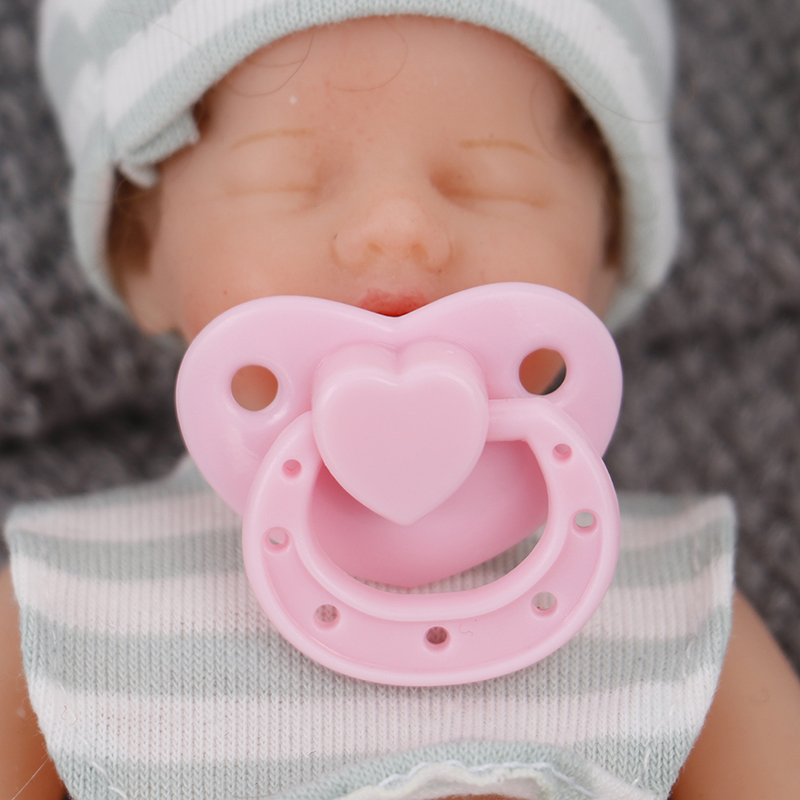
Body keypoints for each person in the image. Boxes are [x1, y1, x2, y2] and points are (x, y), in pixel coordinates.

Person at [2, 2, 800, 799]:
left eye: (491, 185)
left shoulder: (678, 608)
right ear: (143, 252)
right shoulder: (62, 610)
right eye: (289, 178)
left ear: (605, 257)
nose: (398, 227)